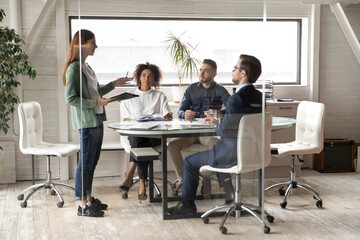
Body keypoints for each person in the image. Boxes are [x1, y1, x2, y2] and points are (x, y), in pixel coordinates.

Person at [168, 54, 263, 215]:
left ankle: (188, 205)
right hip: (252, 152)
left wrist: (216, 123)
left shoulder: (234, 98)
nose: (232, 70)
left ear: (243, 73)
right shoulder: (259, 96)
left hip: (230, 152)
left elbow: (224, 130)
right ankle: (226, 192)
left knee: (190, 162)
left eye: (235, 68)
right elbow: (241, 119)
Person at [63, 29, 132, 217]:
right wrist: (96, 103)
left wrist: (115, 83)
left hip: (97, 117)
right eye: (93, 42)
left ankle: (89, 198)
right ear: (82, 43)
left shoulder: (86, 67)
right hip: (87, 121)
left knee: (92, 162)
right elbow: (70, 98)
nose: (96, 46)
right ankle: (82, 205)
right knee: (85, 162)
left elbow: (95, 91)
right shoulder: (73, 68)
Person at [168, 59, 230, 193]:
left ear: (214, 74)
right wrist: (185, 113)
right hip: (190, 133)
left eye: (205, 71)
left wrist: (217, 113)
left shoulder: (220, 90)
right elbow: (180, 111)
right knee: (172, 145)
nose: (201, 74)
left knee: (216, 147)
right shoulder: (191, 89)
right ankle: (184, 181)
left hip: (208, 133)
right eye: (200, 70)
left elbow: (232, 110)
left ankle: (208, 179)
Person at [119, 62, 173, 201]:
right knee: (140, 140)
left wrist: (167, 116)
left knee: (141, 141)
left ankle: (131, 173)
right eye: (144, 75)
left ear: (154, 79)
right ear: (139, 77)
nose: (147, 79)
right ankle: (142, 182)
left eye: (150, 76)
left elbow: (168, 116)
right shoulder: (129, 96)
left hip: (154, 136)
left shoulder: (160, 96)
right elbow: (125, 120)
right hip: (134, 135)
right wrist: (137, 121)